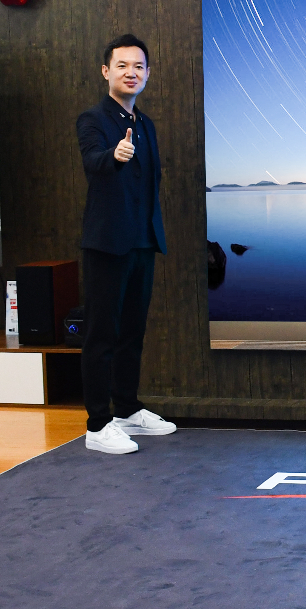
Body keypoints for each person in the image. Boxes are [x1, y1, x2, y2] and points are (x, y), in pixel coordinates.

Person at [77, 34, 176, 454]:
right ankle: (98, 425)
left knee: (133, 332)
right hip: (107, 244)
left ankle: (127, 410)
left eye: (138, 66)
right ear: (106, 71)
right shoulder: (93, 119)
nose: (130, 73)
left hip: (142, 241)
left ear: (147, 73)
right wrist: (113, 156)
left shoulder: (146, 124)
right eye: (122, 66)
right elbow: (92, 161)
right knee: (102, 334)